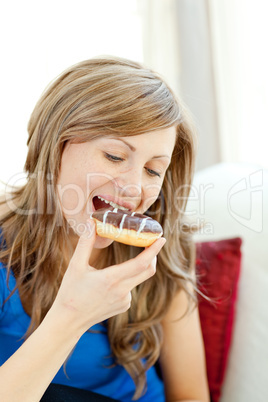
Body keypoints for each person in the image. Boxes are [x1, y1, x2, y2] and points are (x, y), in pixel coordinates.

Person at [0, 56, 209, 402]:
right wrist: (72, 314)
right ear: (55, 146)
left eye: (153, 171)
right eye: (114, 156)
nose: (133, 188)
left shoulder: (163, 256)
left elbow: (190, 395)